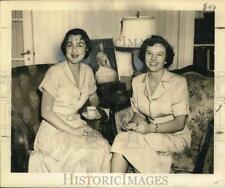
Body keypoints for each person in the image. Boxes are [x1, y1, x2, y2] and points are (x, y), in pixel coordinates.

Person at [28, 28, 111, 173]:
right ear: (64, 48)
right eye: (69, 44)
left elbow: (93, 98)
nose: (74, 49)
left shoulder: (88, 71)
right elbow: (46, 112)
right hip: (54, 130)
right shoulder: (55, 72)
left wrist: (94, 110)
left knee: (103, 146)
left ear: (86, 49)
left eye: (79, 44)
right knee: (80, 152)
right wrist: (73, 131)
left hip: (77, 123)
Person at [110, 35, 191, 173]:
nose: (153, 59)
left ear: (166, 59)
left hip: (176, 136)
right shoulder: (137, 81)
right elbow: (139, 114)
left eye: (159, 54)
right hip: (150, 134)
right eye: (149, 53)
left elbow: (179, 123)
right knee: (125, 138)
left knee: (127, 141)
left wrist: (150, 128)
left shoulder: (178, 82)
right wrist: (132, 125)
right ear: (144, 56)